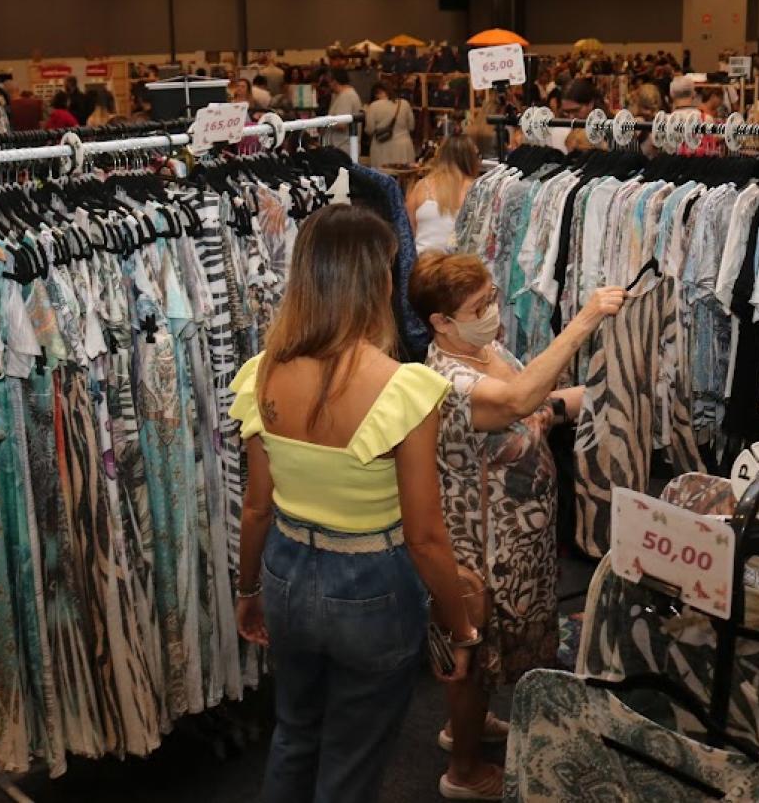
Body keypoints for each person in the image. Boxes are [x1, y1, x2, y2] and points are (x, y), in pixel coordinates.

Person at [230, 205, 477, 803]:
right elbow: (424, 536)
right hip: (373, 582)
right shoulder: (405, 387)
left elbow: (257, 507)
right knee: (353, 758)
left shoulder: (262, 373)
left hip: (287, 568)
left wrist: (247, 590)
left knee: (294, 732)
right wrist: (458, 624)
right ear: (375, 280)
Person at [410, 253, 624, 800]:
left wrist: (605, 392)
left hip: (516, 537)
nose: (492, 312)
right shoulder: (449, 379)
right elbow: (517, 398)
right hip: (483, 545)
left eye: (490, 298)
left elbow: (535, 402)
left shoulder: (485, 350)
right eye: (478, 306)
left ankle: (468, 726)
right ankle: (462, 772)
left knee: (488, 652)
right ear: (441, 322)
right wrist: (584, 321)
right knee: (475, 650)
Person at [407, 136, 479, 254]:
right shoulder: (477, 189)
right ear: (472, 159)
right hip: (460, 268)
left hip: (423, 266)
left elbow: (408, 230)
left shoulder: (422, 187)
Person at [365, 83, 416, 167]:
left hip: (382, 147)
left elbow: (369, 129)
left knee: (383, 176)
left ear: (376, 94)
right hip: (403, 147)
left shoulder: (373, 106)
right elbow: (411, 126)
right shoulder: (404, 103)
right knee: (403, 176)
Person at [324, 68, 363, 148]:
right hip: (341, 145)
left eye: (329, 82)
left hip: (344, 146)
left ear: (335, 81)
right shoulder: (340, 95)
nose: (329, 85)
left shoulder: (346, 96)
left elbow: (341, 124)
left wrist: (324, 122)